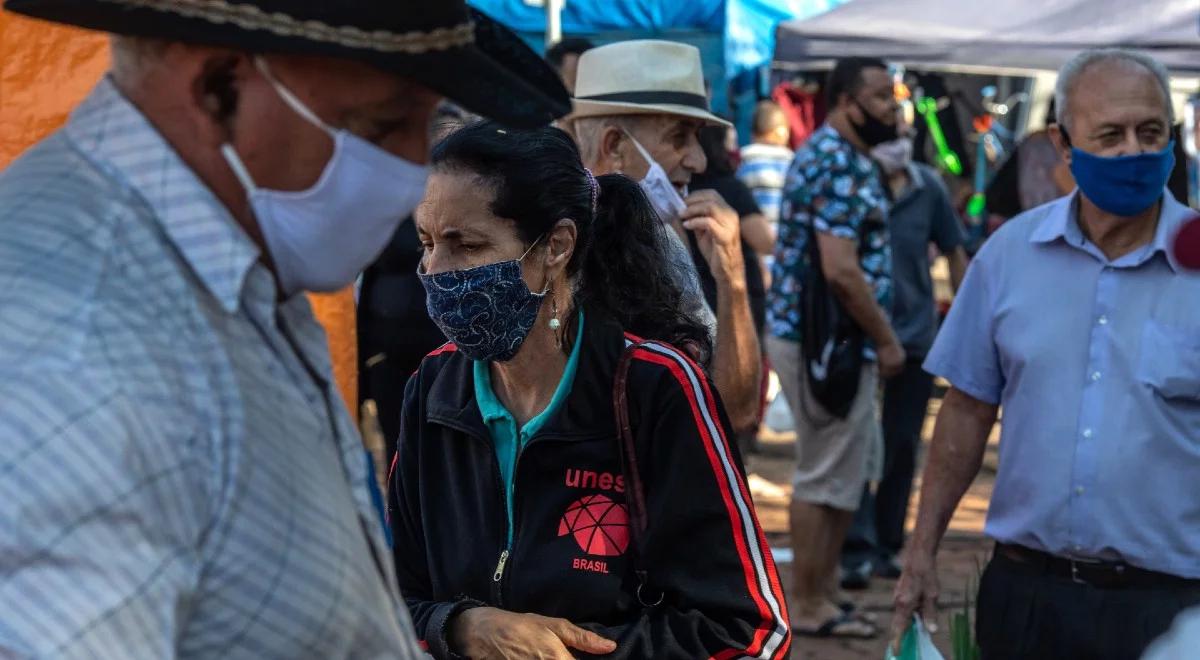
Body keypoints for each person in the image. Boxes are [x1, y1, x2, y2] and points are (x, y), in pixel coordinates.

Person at [0, 0, 569, 657]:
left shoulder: (236, 256)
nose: (415, 171)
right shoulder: (75, 354)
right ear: (219, 86)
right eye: (381, 126)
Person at [389, 121, 790, 660]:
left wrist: (569, 653)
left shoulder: (655, 388)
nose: (436, 271)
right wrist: (461, 626)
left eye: (467, 245)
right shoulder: (434, 391)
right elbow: (390, 598)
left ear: (556, 245)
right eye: (428, 243)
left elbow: (751, 632)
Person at [893, 49, 1200, 660]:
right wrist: (921, 552)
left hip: (1170, 610)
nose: (1134, 152)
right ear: (1062, 144)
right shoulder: (1010, 256)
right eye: (1110, 135)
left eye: (1152, 132)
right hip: (1026, 598)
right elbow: (966, 410)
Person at [765, 56, 904, 639]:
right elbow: (842, 271)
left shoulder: (844, 158)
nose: (893, 110)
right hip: (826, 344)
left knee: (845, 472)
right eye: (880, 98)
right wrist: (887, 340)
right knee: (824, 473)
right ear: (846, 100)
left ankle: (823, 596)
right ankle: (809, 604)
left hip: (831, 342)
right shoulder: (836, 162)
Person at [570, 39, 763, 434]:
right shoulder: (552, 248)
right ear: (614, 146)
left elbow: (736, 412)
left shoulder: (664, 242)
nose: (699, 160)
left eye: (697, 137)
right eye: (679, 137)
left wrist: (732, 278)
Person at [838, 131, 969, 589]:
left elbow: (954, 251)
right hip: (857, 339)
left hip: (914, 338)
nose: (894, 137)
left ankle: (885, 546)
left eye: (899, 127)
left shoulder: (927, 187)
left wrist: (966, 322)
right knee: (855, 445)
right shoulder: (850, 183)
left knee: (900, 446)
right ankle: (852, 547)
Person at [738, 100, 794, 252]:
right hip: (785, 250)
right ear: (783, 132)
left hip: (753, 250)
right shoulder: (793, 161)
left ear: (753, 132)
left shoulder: (743, 158)